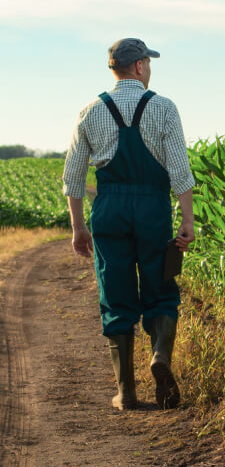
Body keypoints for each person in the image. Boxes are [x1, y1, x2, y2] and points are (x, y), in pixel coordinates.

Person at [62, 38, 195, 411]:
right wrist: (187, 220)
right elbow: (180, 172)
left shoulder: (90, 111)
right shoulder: (164, 108)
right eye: (148, 63)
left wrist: (78, 227)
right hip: (152, 208)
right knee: (161, 288)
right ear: (139, 66)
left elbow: (73, 178)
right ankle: (160, 357)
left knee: (116, 295)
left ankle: (127, 392)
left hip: (109, 209)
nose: (149, 69)